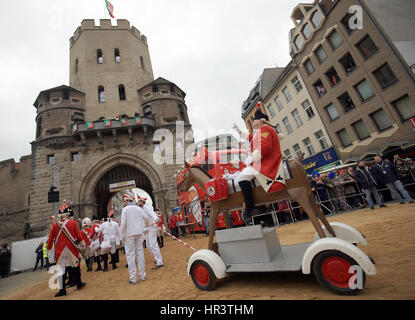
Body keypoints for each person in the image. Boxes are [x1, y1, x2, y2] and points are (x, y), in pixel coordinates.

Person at [232, 102, 285, 218]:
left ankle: (251, 207)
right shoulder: (262, 131)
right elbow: (251, 138)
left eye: (254, 120)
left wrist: (252, 158)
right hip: (262, 161)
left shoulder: (265, 129)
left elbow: (265, 147)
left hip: (265, 162)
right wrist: (239, 132)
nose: (252, 122)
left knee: (241, 178)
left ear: (261, 121)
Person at [47, 201, 86, 297]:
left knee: (61, 270)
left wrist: (49, 251)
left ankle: (62, 290)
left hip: (60, 250)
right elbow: (79, 236)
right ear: (67, 213)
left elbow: (50, 239)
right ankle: (79, 284)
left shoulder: (54, 225)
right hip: (71, 249)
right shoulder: (72, 222)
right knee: (75, 266)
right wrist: (83, 245)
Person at [120, 192, 147, 284]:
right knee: (140, 253)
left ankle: (133, 278)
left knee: (130, 255)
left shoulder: (125, 209)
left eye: (124, 201)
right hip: (139, 233)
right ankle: (142, 275)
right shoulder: (139, 209)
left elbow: (123, 224)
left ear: (127, 200)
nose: (123, 203)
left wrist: (121, 235)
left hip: (129, 234)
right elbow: (145, 218)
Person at [137, 196, 164, 270]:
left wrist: (156, 219)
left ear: (142, 202)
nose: (138, 202)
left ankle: (159, 261)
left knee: (153, 245)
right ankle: (158, 258)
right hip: (146, 229)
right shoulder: (141, 209)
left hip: (151, 228)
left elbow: (152, 214)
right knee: (148, 246)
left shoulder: (147, 207)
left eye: (139, 201)